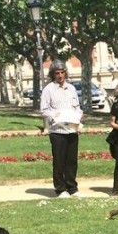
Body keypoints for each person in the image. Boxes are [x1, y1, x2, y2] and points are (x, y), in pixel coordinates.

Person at [40, 60, 83, 198]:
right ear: (53, 74)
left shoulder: (71, 88)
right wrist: (54, 115)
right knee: (59, 161)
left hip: (71, 129)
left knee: (72, 160)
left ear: (65, 73)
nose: (60, 75)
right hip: (57, 130)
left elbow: (77, 108)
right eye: (57, 73)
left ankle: (72, 187)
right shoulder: (48, 89)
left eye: (62, 72)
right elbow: (44, 110)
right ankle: (60, 188)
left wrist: (78, 120)